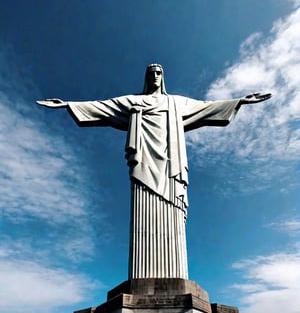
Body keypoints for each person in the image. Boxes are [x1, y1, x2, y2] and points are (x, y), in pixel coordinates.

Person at [37, 64, 271, 280]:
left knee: (172, 207)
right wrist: (68, 104)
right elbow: (102, 106)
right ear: (146, 78)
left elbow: (207, 106)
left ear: (163, 77)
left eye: (159, 73)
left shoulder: (176, 103)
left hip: (171, 165)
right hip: (144, 161)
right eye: (151, 73)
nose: (155, 76)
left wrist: (240, 100)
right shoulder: (132, 102)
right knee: (143, 202)